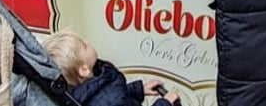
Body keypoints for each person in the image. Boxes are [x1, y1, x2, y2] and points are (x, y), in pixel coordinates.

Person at [43, 30, 181, 106]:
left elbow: (112, 94)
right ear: (84, 70)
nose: (88, 43)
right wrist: (165, 103)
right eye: (84, 45)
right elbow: (113, 99)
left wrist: (140, 90)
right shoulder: (110, 99)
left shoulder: (81, 93)